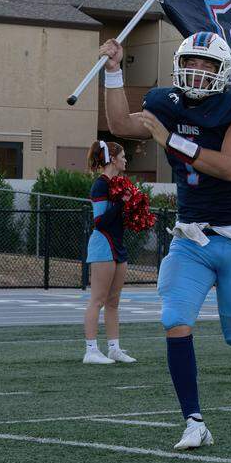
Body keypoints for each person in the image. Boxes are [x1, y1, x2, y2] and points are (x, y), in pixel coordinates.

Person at [101, 32, 231, 451]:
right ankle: (194, 421)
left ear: (222, 70)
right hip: (191, 236)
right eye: (190, 63)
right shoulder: (165, 101)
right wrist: (113, 71)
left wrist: (170, 139)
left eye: (206, 65)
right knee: (174, 317)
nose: (196, 71)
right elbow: (121, 125)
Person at [83, 140, 136, 365]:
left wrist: (135, 210)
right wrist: (122, 204)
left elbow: (118, 218)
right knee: (98, 300)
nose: (125, 160)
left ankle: (114, 348)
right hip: (103, 245)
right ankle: (91, 350)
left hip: (118, 246)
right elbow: (100, 221)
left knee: (114, 302)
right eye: (123, 156)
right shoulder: (101, 185)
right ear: (112, 159)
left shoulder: (119, 184)